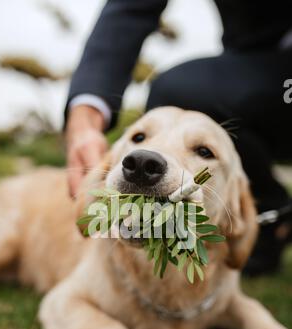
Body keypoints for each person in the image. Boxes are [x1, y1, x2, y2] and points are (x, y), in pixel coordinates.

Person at [65, 0, 292, 275]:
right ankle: (272, 219)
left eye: (203, 151)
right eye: (139, 138)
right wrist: (85, 119)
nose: (149, 157)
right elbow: (130, 9)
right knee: (179, 89)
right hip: (260, 62)